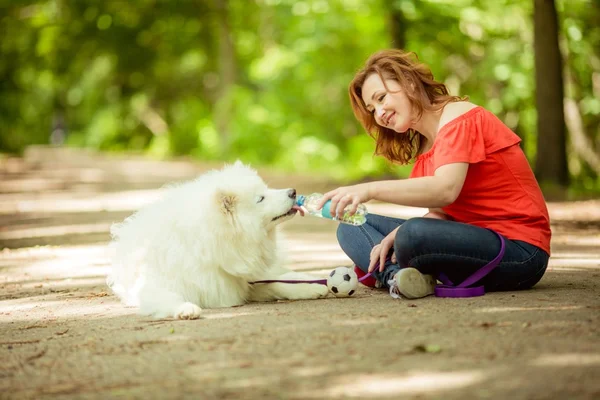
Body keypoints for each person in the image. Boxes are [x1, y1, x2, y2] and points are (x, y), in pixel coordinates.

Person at [310, 49, 551, 299]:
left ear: (410, 83)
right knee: (353, 226)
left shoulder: (458, 117)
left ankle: (397, 271)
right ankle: (397, 278)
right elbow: (444, 213)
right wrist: (392, 236)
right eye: (372, 109)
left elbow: (445, 191)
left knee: (413, 234)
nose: (379, 113)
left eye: (381, 98)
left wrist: (369, 190)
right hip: (467, 241)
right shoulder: (427, 144)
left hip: (519, 252)